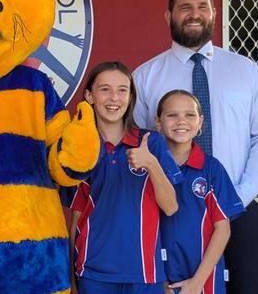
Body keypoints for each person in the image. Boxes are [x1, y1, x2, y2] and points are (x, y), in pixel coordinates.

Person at [132, 0, 258, 294]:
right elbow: (140, 142)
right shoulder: (145, 77)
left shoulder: (246, 71)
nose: (194, 14)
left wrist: (240, 195)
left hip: (237, 207)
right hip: (172, 212)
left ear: (214, 13)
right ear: (169, 16)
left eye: (202, 7)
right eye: (185, 7)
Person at [62, 61, 182, 294]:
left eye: (122, 90)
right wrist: (71, 278)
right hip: (93, 272)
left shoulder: (151, 142)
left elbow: (170, 207)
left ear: (130, 97)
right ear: (89, 96)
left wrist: (151, 164)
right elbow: (75, 217)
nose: (114, 98)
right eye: (105, 89)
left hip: (144, 273)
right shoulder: (79, 148)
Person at [155, 90, 244, 294]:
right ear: (158, 122)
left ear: (201, 121)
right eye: (172, 115)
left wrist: (197, 282)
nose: (181, 121)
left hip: (204, 279)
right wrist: (158, 281)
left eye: (189, 115)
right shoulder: (150, 167)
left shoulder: (212, 169)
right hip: (158, 277)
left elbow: (223, 230)